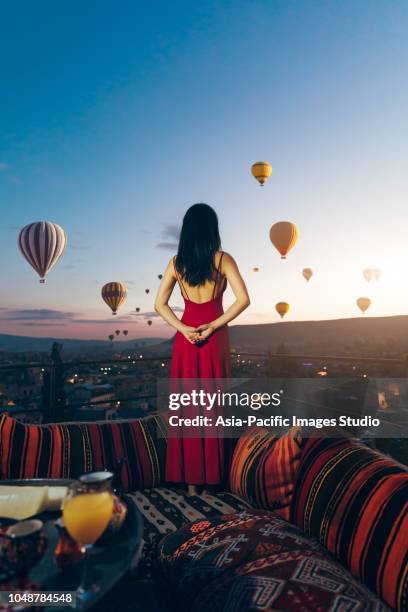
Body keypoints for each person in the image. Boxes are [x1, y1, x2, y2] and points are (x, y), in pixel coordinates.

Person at [154, 203, 250, 495]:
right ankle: (213, 484)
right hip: (213, 338)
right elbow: (243, 300)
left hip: (186, 341)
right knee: (212, 407)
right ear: (213, 229)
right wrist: (212, 327)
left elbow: (159, 305)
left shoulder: (175, 263)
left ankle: (191, 486)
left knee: (187, 408)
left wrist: (183, 329)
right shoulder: (223, 259)